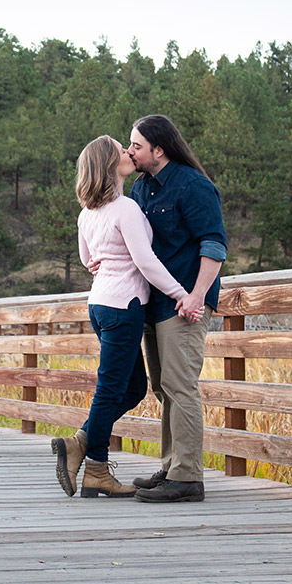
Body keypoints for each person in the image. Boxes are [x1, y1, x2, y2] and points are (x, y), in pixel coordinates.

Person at [52, 135, 202, 498]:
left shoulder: (87, 214)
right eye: (121, 149)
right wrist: (183, 294)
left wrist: (110, 263)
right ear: (109, 164)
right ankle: (97, 470)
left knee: (133, 387)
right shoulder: (126, 209)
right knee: (110, 389)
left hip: (100, 305)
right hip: (124, 306)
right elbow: (146, 261)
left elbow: (89, 260)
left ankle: (80, 443)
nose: (128, 152)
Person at [117, 114, 227, 503]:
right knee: (163, 386)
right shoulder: (140, 188)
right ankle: (171, 466)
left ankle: (188, 478)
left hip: (185, 303)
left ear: (158, 149)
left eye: (136, 145)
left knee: (181, 385)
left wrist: (197, 296)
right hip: (153, 302)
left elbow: (213, 245)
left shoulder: (194, 186)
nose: (130, 150)